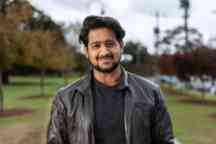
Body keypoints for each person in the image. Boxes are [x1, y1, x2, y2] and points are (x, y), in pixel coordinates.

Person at [47, 15, 175, 144]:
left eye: (110, 44)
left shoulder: (151, 93)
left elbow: (165, 141)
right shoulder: (65, 99)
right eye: (96, 46)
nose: (104, 52)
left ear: (121, 45)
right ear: (86, 51)